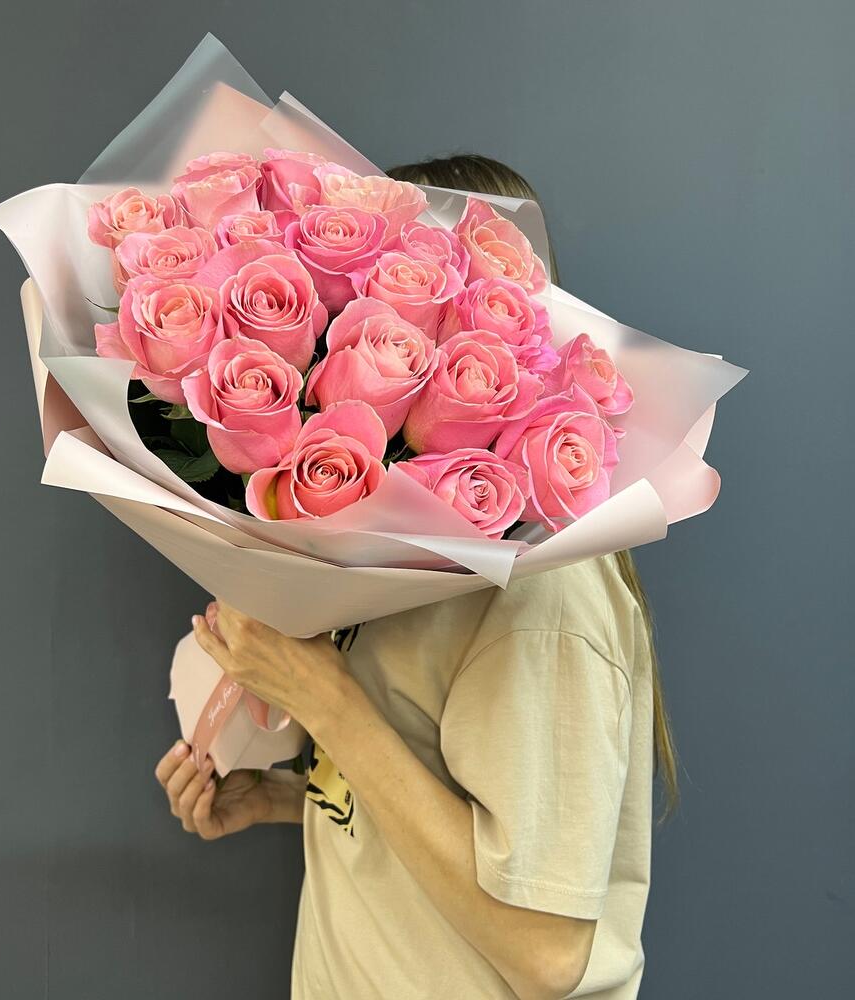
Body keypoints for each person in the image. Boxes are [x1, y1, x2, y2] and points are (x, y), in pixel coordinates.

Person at [154, 155, 678, 1000]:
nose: (379, 328)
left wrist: (326, 700)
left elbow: (548, 952)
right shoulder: (401, 553)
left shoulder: (543, 596)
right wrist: (288, 798)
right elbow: (449, 806)